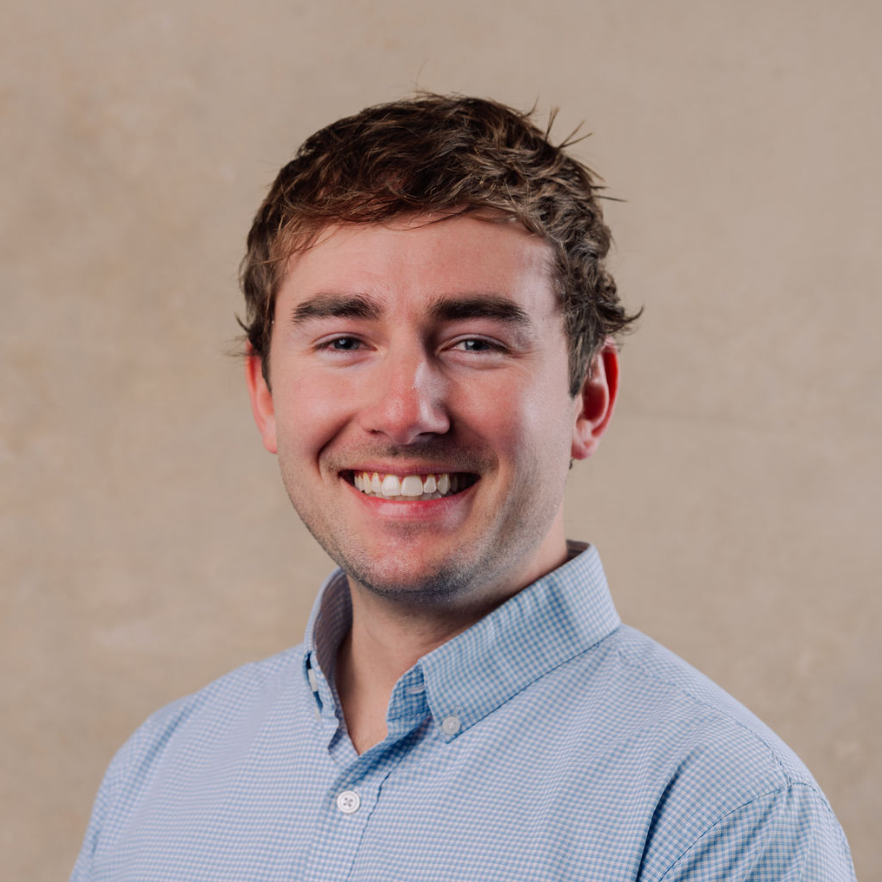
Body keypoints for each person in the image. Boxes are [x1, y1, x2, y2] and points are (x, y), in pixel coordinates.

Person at [70, 94, 856, 881]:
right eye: (344, 341)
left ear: (590, 397)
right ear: (266, 394)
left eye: (476, 343)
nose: (405, 413)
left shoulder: (727, 817)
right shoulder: (160, 771)